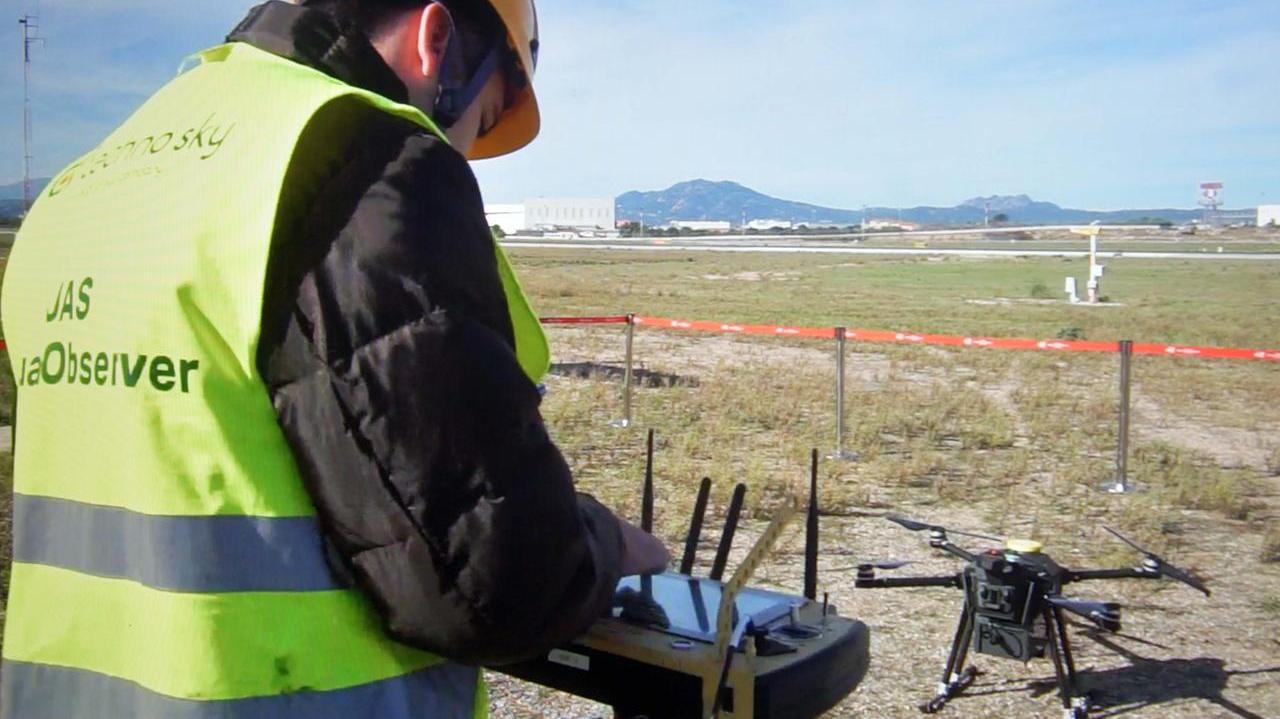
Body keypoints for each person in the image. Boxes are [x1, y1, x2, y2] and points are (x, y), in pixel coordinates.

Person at [0, 1, 668, 717]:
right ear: (436, 37)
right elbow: (491, 583)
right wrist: (601, 544)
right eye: (481, 119)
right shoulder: (363, 160)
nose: (462, 151)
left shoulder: (85, 183)